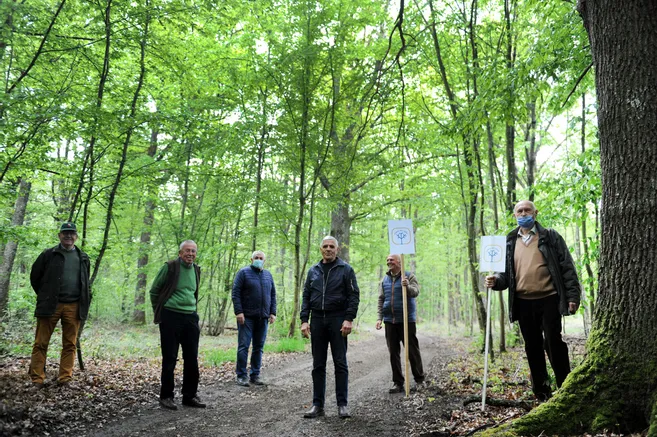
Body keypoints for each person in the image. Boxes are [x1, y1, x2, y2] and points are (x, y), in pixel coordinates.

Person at [485, 200, 581, 400]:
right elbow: (506, 276)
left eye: (527, 210)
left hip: (549, 299)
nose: (523, 213)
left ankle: (565, 387)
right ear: (515, 215)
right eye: (519, 211)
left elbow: (567, 267)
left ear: (535, 213)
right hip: (523, 302)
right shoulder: (509, 241)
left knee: (553, 342)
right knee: (532, 346)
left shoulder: (550, 237)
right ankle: (542, 391)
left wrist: (572, 296)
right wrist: (495, 281)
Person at [300, 236, 360, 419]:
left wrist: (348, 319)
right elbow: (306, 296)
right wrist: (304, 320)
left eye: (331, 246)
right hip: (317, 320)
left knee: (340, 363)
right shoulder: (313, 271)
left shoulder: (346, 270)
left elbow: (354, 296)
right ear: (320, 249)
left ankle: (342, 405)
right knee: (318, 365)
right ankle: (317, 405)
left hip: (337, 320)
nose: (328, 249)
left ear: (337, 249)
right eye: (325, 246)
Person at [28, 222, 91, 389]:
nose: (68, 236)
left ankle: (65, 379)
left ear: (76, 236)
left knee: (70, 344)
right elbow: (35, 278)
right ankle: (37, 379)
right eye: (65, 233)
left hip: (74, 306)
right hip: (50, 306)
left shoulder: (83, 257)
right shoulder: (48, 255)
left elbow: (85, 281)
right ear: (59, 235)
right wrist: (46, 296)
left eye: (71, 233)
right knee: (41, 343)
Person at [150, 240, 206, 410]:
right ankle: (166, 396)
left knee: (192, 358)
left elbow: (193, 293)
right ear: (180, 253)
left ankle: (189, 396)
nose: (190, 254)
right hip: (170, 316)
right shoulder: (170, 267)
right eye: (187, 251)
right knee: (170, 357)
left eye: (193, 251)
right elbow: (154, 291)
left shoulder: (196, 269)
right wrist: (160, 312)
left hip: (190, 317)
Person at [375, 254, 425, 393]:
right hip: (390, 321)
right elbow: (381, 299)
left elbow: (415, 293)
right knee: (393, 353)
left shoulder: (409, 276)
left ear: (399, 261)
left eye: (391, 260)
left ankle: (419, 380)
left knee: (412, 350)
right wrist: (379, 318)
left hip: (406, 320)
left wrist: (407, 286)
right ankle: (398, 382)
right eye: (387, 260)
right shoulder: (384, 279)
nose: (388, 262)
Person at [231, 250, 277, 387]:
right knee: (243, 346)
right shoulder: (243, 273)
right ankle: (241, 375)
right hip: (246, 318)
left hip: (263, 318)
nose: (258, 259)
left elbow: (273, 294)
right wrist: (239, 312)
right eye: (256, 257)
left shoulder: (268, 275)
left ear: (265, 260)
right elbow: (235, 293)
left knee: (259, 347)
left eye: (261, 258)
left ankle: (255, 375)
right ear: (251, 260)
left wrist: (272, 312)